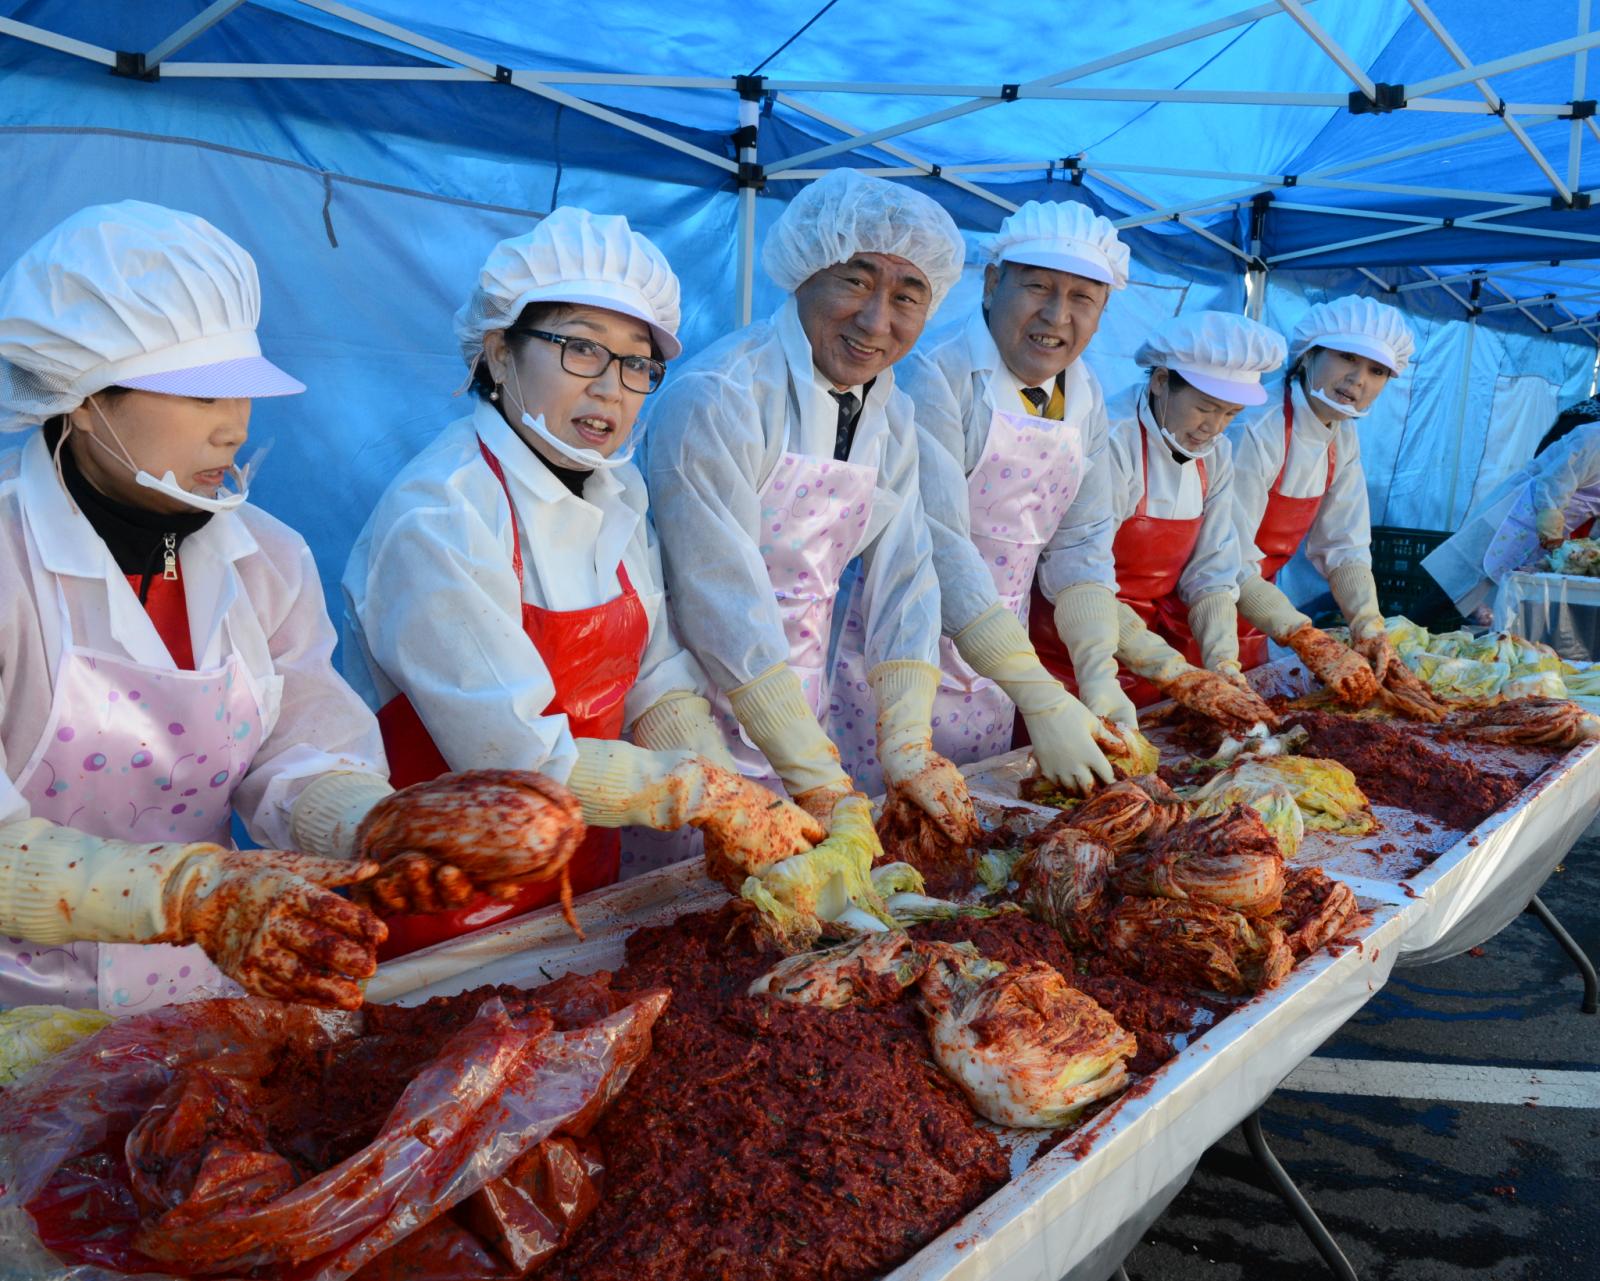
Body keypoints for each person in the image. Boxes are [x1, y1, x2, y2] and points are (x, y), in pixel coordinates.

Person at [344, 207, 821, 956]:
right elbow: (516, 758)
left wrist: (726, 783)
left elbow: (656, 674)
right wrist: (702, 796)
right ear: (499, 353)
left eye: (637, 363)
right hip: (444, 909)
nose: (613, 388)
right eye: (579, 349)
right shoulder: (440, 513)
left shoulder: (615, 493)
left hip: (583, 886)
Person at [0, 201, 392, 1013]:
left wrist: (361, 821)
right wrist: (189, 894)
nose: (233, 429)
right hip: (24, 1012)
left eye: (242, 391)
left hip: (207, 994)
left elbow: (303, 744)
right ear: (81, 394)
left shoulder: (267, 559)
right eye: (199, 394)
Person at [645, 169, 976, 840]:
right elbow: (718, 602)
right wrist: (813, 772)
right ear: (803, 269)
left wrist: (907, 736)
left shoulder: (893, 415)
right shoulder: (720, 396)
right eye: (855, 279)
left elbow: (906, 578)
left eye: (907, 295)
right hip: (693, 728)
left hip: (806, 717)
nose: (876, 320)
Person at [894, 200, 1135, 796]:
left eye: (1083, 298)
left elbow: (1081, 543)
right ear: (992, 282)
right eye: (1037, 287)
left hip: (1005, 662)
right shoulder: (936, 375)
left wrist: (1097, 672)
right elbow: (937, 543)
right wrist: (1039, 694)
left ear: (1103, 312)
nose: (1056, 314)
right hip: (904, 650)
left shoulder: (1084, 396)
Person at [1092, 311, 1284, 726]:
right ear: (1161, 380)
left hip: (1147, 652)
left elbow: (1212, 570)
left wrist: (1223, 662)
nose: (1212, 428)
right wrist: (1171, 669)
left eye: (1229, 414)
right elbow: (1081, 577)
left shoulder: (1215, 454)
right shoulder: (1111, 440)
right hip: (1074, 652)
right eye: (1204, 407)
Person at [1229, 296, 1421, 707]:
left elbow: (1344, 545)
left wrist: (1368, 624)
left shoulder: (1341, 435)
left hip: (1254, 613)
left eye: (1377, 371)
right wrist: (1305, 637)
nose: (1358, 379)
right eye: (1347, 357)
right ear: (1309, 354)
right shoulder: (1256, 427)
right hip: (1190, 612)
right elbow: (1225, 557)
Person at [1424, 397, 1600, 617]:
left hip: (1553, 534)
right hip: (1519, 510)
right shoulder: (1592, 436)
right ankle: (1408, 630)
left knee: (1506, 595)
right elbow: (1555, 480)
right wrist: (1550, 522)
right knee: (1461, 582)